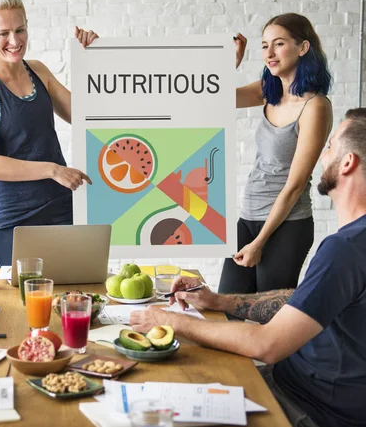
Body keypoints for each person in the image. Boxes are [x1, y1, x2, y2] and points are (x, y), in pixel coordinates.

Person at [130, 109, 366, 427]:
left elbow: (266, 344)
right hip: (297, 385)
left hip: (307, 407)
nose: (323, 155)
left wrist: (168, 319)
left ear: (348, 162)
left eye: (330, 146)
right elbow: (301, 304)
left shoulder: (345, 249)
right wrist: (219, 302)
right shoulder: (353, 243)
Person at [0, 0, 97, 266]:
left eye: (20, 30)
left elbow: (85, 116)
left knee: (73, 299)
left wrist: (93, 61)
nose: (14, 40)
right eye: (3, 33)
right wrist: (53, 169)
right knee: (21, 306)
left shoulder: (39, 71)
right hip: (13, 221)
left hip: (61, 209)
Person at [219, 13, 333, 294]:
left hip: (288, 225)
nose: (268, 53)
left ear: (302, 47)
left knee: (267, 317)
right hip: (249, 216)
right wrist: (231, 62)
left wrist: (260, 242)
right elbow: (216, 97)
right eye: (264, 45)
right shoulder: (269, 91)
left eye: (278, 44)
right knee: (226, 307)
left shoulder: (315, 107)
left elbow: (294, 186)